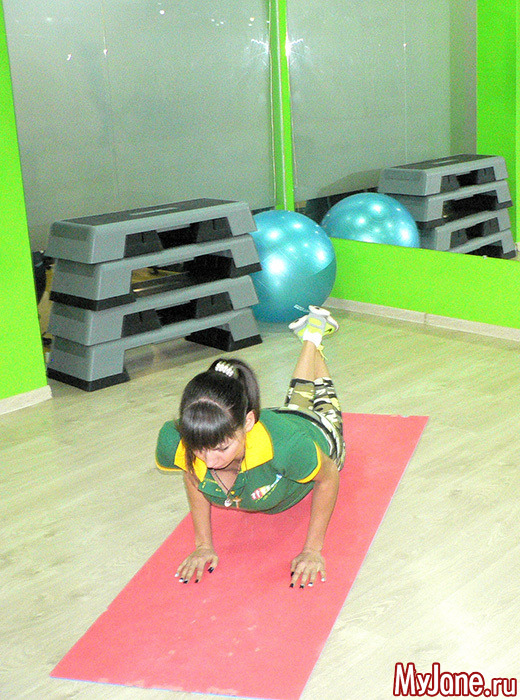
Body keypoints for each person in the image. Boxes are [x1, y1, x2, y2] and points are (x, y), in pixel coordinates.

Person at [155, 306, 346, 588]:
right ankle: (311, 335)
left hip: (319, 433)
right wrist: (203, 545)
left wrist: (312, 550)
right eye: (199, 448)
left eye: (221, 448)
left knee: (323, 402)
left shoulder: (287, 445)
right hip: (275, 420)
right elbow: (191, 474)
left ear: (247, 422)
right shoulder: (177, 440)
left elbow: (328, 477)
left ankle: (313, 337)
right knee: (296, 401)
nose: (208, 461)